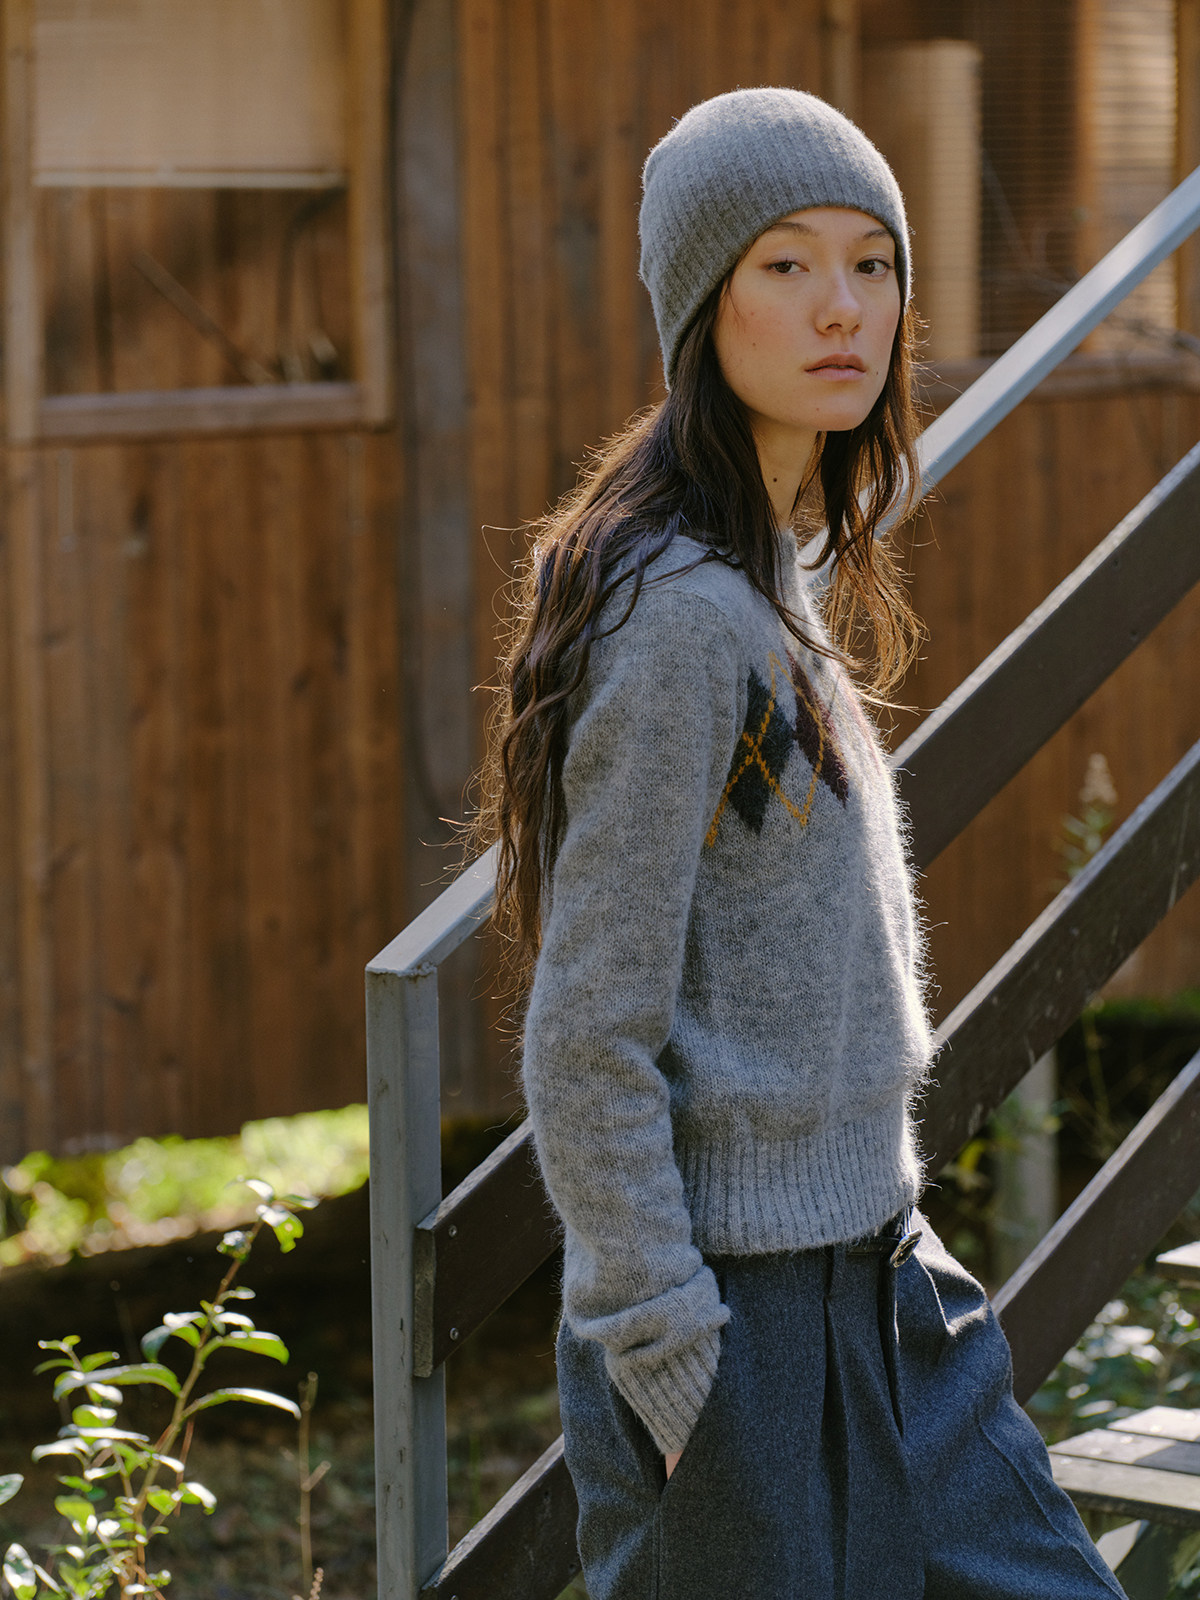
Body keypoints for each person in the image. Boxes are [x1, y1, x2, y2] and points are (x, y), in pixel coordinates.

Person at [476, 87, 1127, 1600]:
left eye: (872, 264)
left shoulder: (773, 584)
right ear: (701, 304)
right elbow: (586, 1032)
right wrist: (673, 1359)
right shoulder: (678, 618)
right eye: (786, 264)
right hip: (733, 1327)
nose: (845, 307)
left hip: (887, 1288)